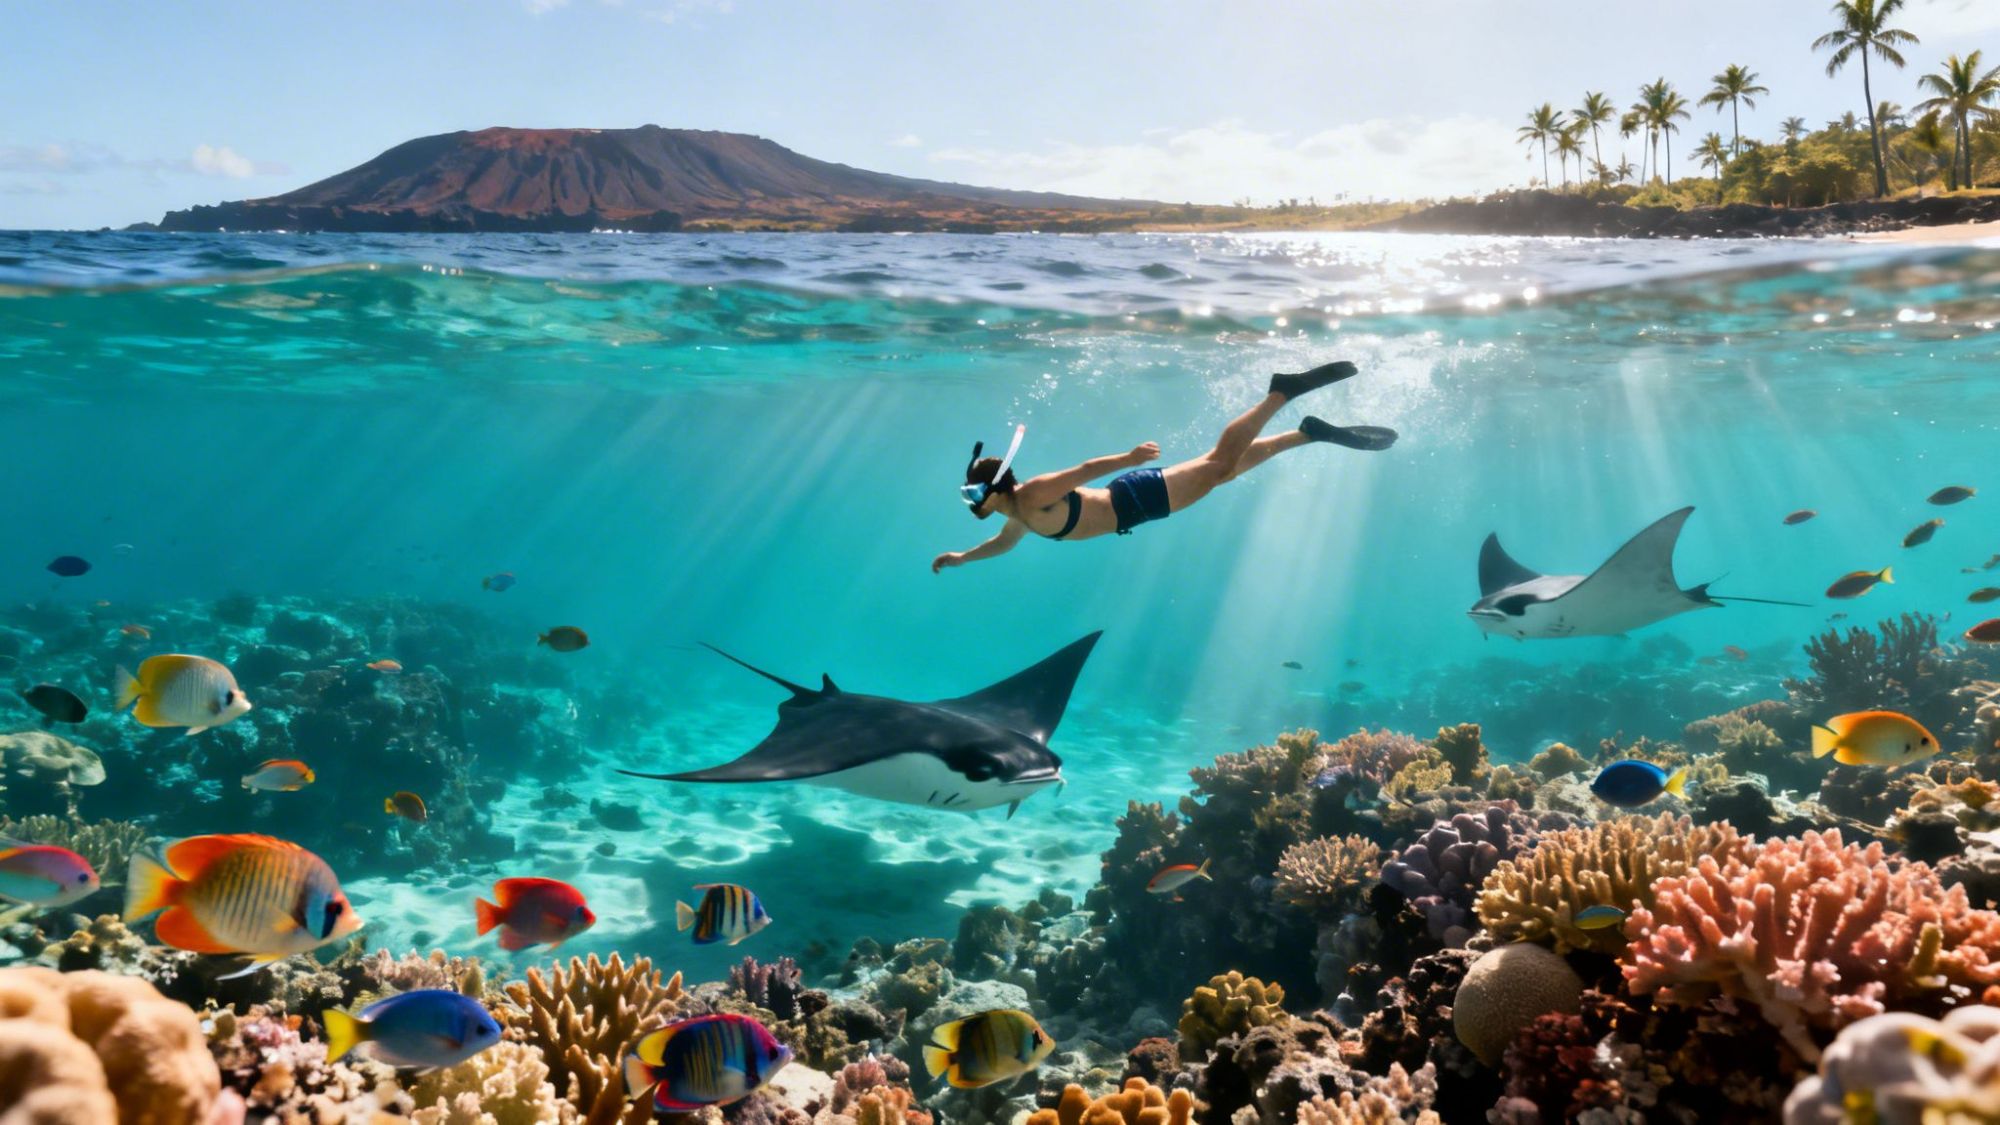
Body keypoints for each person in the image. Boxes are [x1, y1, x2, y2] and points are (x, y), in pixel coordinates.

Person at [933, 360, 1393, 572]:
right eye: (967, 496)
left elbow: (1086, 469)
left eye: (973, 494)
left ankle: (1281, 392)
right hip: (1137, 506)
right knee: (1223, 471)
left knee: (1217, 466)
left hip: (1135, 496)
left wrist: (1130, 458)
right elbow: (1001, 545)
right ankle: (1306, 432)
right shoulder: (1017, 517)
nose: (971, 502)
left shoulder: (1032, 494)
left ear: (995, 489)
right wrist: (961, 558)